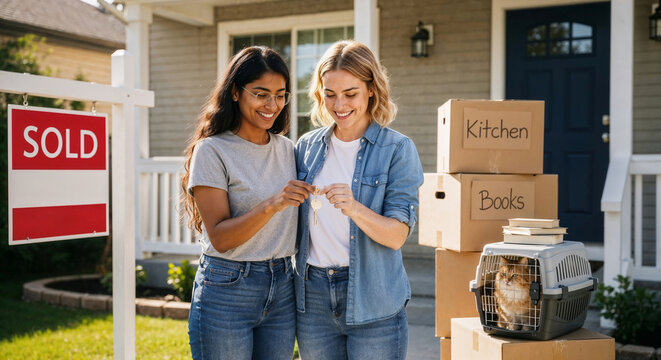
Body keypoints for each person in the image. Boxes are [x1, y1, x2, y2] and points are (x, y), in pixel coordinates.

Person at [294, 40, 424, 360]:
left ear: (371, 90)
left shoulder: (397, 149)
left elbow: (396, 236)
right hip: (313, 299)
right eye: (330, 94)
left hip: (374, 298)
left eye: (350, 93)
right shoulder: (306, 147)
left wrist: (353, 208)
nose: (339, 105)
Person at [181, 46, 313, 360]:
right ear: (236, 93)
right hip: (227, 288)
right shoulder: (212, 151)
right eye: (261, 93)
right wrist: (273, 204)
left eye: (281, 95)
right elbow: (222, 238)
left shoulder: (288, 149)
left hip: (282, 286)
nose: (272, 105)